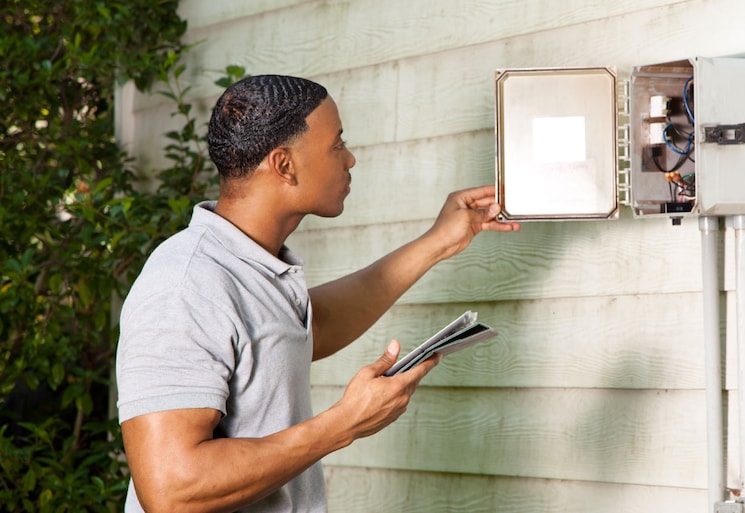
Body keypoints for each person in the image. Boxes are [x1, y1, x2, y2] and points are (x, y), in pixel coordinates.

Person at [115, 74, 520, 513]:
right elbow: (172, 490)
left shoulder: (252, 266)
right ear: (284, 165)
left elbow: (307, 329)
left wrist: (439, 241)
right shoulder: (186, 284)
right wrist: (344, 423)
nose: (350, 159)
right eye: (337, 144)